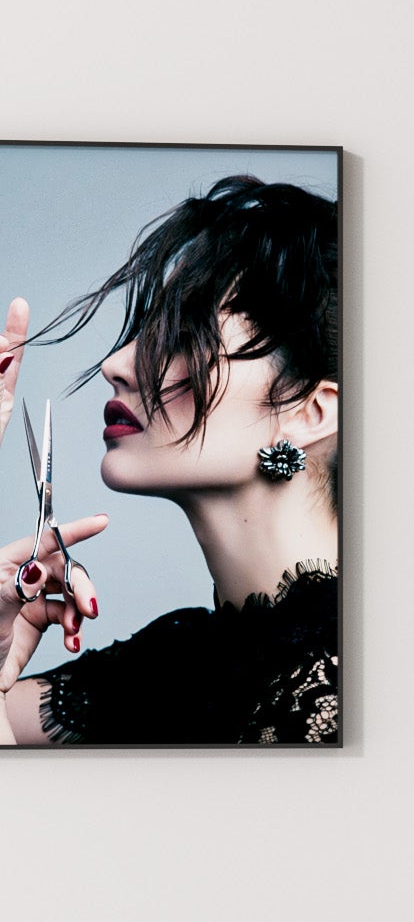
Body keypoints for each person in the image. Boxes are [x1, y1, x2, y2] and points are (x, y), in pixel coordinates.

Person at [0, 174, 338, 745]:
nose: (118, 362)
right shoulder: (171, 667)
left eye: (183, 336)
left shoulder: (362, 682)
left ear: (308, 413)